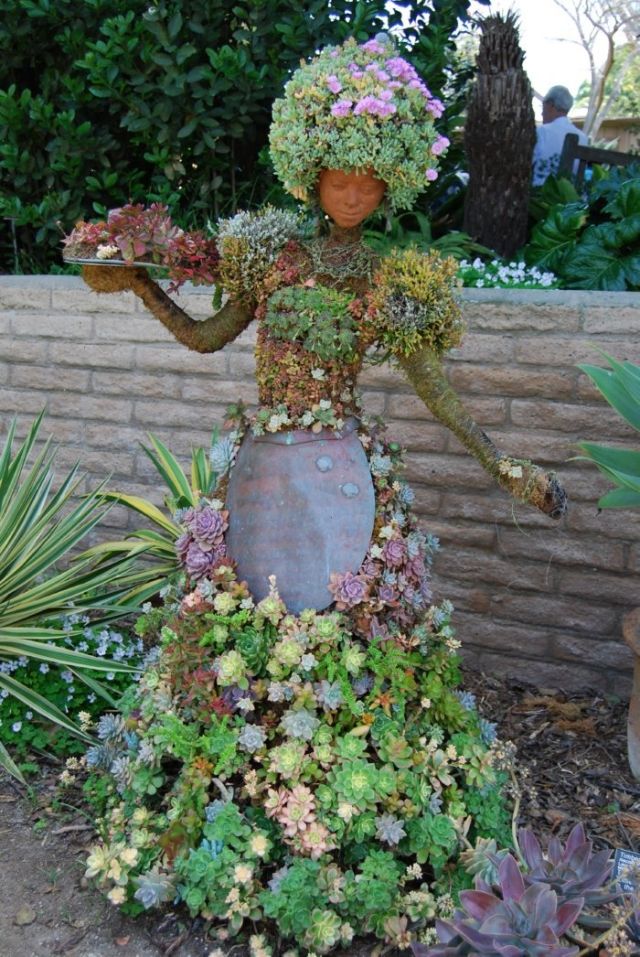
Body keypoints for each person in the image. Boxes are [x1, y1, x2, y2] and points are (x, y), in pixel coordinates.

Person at [70, 36, 568, 948]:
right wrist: (140, 283)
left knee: (349, 619)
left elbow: (435, 390)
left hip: (342, 472)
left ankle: (353, 808)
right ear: (312, 168)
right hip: (261, 469)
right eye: (339, 176)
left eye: (370, 184)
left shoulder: (390, 280)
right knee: (243, 614)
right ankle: (220, 800)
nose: (353, 195)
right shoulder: (266, 255)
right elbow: (206, 337)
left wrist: (501, 462)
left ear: (390, 184)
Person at [532, 84, 588, 185]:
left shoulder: (542, 132)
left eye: (543, 105)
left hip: (541, 196)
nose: (541, 113)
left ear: (551, 105)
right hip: (572, 198)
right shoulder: (583, 138)